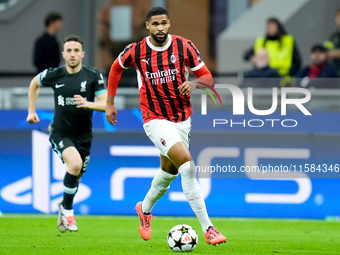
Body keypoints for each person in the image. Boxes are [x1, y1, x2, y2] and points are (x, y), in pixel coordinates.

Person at [106, 6, 226, 246]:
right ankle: (209, 229)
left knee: (169, 172)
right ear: (148, 26)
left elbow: (207, 77)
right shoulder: (137, 51)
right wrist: (109, 103)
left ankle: (144, 209)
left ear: (169, 24)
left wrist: (194, 84)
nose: (160, 28)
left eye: (164, 23)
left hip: (182, 118)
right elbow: (116, 68)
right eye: (155, 24)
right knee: (188, 166)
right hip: (154, 118)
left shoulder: (184, 46)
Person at [27, 35, 107, 232]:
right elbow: (34, 84)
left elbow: (106, 104)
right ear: (63, 54)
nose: (72, 54)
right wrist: (31, 111)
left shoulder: (93, 76)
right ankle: (69, 211)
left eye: (76, 51)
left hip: (84, 137)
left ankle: (63, 207)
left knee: (76, 175)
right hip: (60, 133)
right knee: (75, 164)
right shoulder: (54, 74)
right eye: (69, 51)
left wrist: (89, 104)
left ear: (82, 53)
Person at [324, 8, 340, 77]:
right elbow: (325, 53)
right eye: (337, 16)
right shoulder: (333, 37)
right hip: (334, 68)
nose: (339, 19)